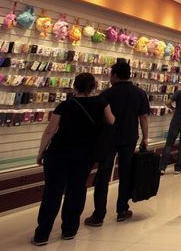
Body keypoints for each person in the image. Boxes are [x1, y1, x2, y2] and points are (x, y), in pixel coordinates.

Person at [32, 73, 115, 246]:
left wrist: (41, 153)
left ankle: (42, 234)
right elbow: (112, 121)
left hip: (58, 153)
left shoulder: (65, 105)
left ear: (75, 85)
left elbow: (50, 130)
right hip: (85, 154)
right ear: (94, 86)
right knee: (76, 190)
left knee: (52, 192)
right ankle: (69, 230)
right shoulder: (101, 102)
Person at [85, 61, 150, 227]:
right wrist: (145, 138)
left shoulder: (107, 94)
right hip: (130, 138)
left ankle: (98, 215)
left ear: (114, 75)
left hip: (108, 139)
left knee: (103, 177)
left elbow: (100, 118)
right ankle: (122, 210)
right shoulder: (140, 93)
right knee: (126, 173)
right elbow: (143, 117)